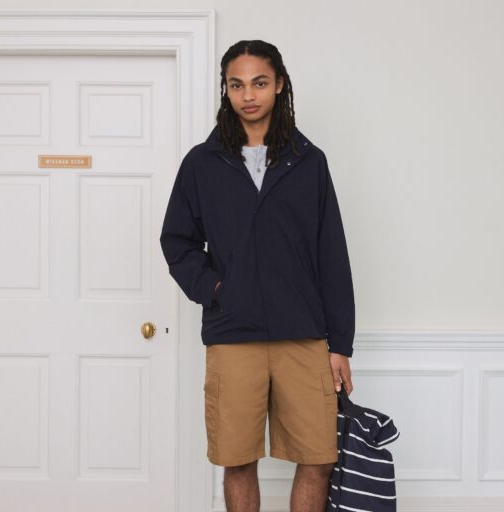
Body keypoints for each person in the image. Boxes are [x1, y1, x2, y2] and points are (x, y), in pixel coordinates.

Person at [159, 39, 355, 512]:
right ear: (226, 90)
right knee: (237, 460)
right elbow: (177, 241)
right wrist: (216, 289)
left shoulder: (309, 161)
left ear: (280, 85)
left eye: (259, 83)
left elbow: (332, 255)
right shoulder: (202, 163)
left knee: (318, 459)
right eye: (236, 84)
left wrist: (341, 344)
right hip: (233, 334)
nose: (248, 95)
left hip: (304, 336)